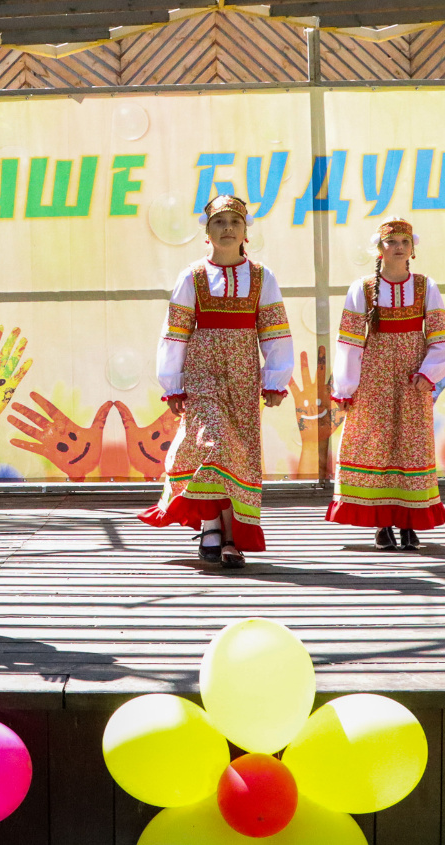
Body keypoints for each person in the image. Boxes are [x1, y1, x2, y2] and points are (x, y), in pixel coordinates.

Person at [138, 195, 292, 568]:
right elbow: (175, 333)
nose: (227, 229)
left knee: (237, 454)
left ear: (245, 233)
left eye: (234, 223)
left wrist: (274, 379)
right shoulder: (192, 276)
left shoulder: (262, 277)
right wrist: (173, 383)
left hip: (241, 375)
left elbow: (274, 332)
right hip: (202, 370)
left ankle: (229, 538)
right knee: (214, 443)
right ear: (206, 232)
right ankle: (210, 526)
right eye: (219, 223)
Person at [325, 218, 445, 550]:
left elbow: (440, 337)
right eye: (390, 241)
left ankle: (411, 521)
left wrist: (430, 373)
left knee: (412, 444)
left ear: (413, 248)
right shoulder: (363, 288)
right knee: (377, 444)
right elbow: (349, 342)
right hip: (374, 377)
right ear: (378, 249)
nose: (398, 246)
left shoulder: (426, 286)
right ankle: (382, 523)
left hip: (413, 378)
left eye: (404, 241)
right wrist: (346, 387)